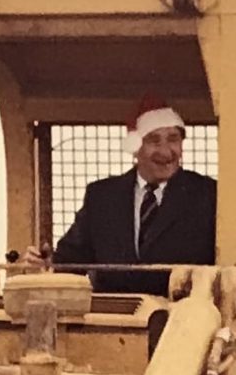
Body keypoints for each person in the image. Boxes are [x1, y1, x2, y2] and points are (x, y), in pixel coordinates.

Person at [46, 101, 218, 283]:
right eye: (154, 140)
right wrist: (47, 264)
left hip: (183, 310)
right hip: (112, 310)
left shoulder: (208, 194)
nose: (166, 152)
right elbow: (71, 261)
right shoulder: (101, 197)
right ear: (135, 148)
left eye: (173, 139)